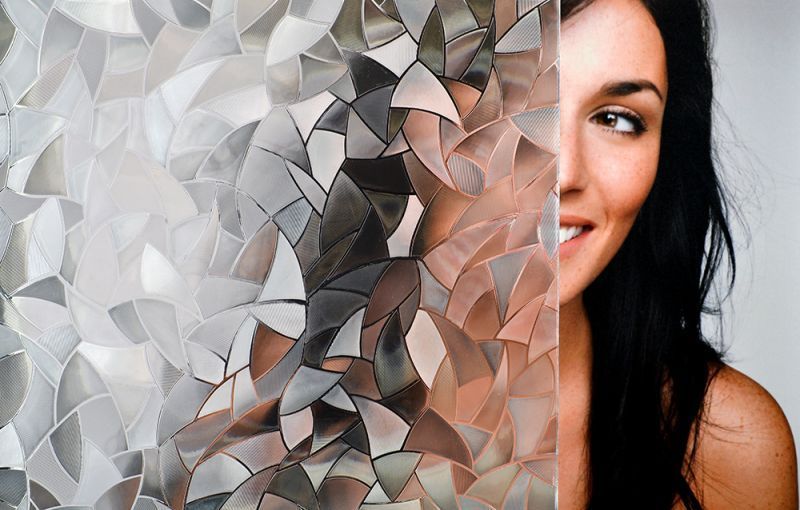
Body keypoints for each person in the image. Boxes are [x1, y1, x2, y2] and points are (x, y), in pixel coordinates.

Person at [558, 0, 798, 508]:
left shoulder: (728, 445)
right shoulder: (345, 417)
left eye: (616, 118)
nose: (562, 174)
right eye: (511, 101)